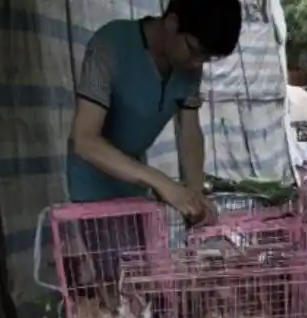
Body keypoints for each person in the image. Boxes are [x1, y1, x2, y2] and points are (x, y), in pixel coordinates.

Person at [67, 0, 242, 279]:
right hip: (94, 183)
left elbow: (189, 130)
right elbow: (85, 140)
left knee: (144, 274)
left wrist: (195, 193)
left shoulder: (188, 68)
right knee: (122, 278)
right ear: (172, 23)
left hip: (134, 181)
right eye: (194, 51)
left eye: (206, 59)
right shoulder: (109, 46)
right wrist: (162, 183)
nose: (196, 64)